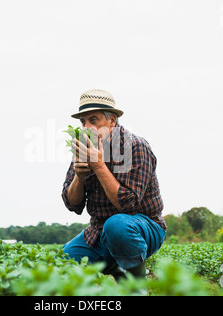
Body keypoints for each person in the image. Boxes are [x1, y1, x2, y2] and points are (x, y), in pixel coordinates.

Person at [61, 89, 167, 279]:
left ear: (112, 121)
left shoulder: (136, 147)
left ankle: (136, 286)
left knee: (117, 225)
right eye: (83, 122)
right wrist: (79, 177)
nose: (87, 128)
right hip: (98, 231)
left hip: (142, 227)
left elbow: (129, 206)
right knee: (63, 261)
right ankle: (113, 267)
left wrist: (99, 166)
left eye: (93, 120)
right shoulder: (85, 149)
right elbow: (72, 205)